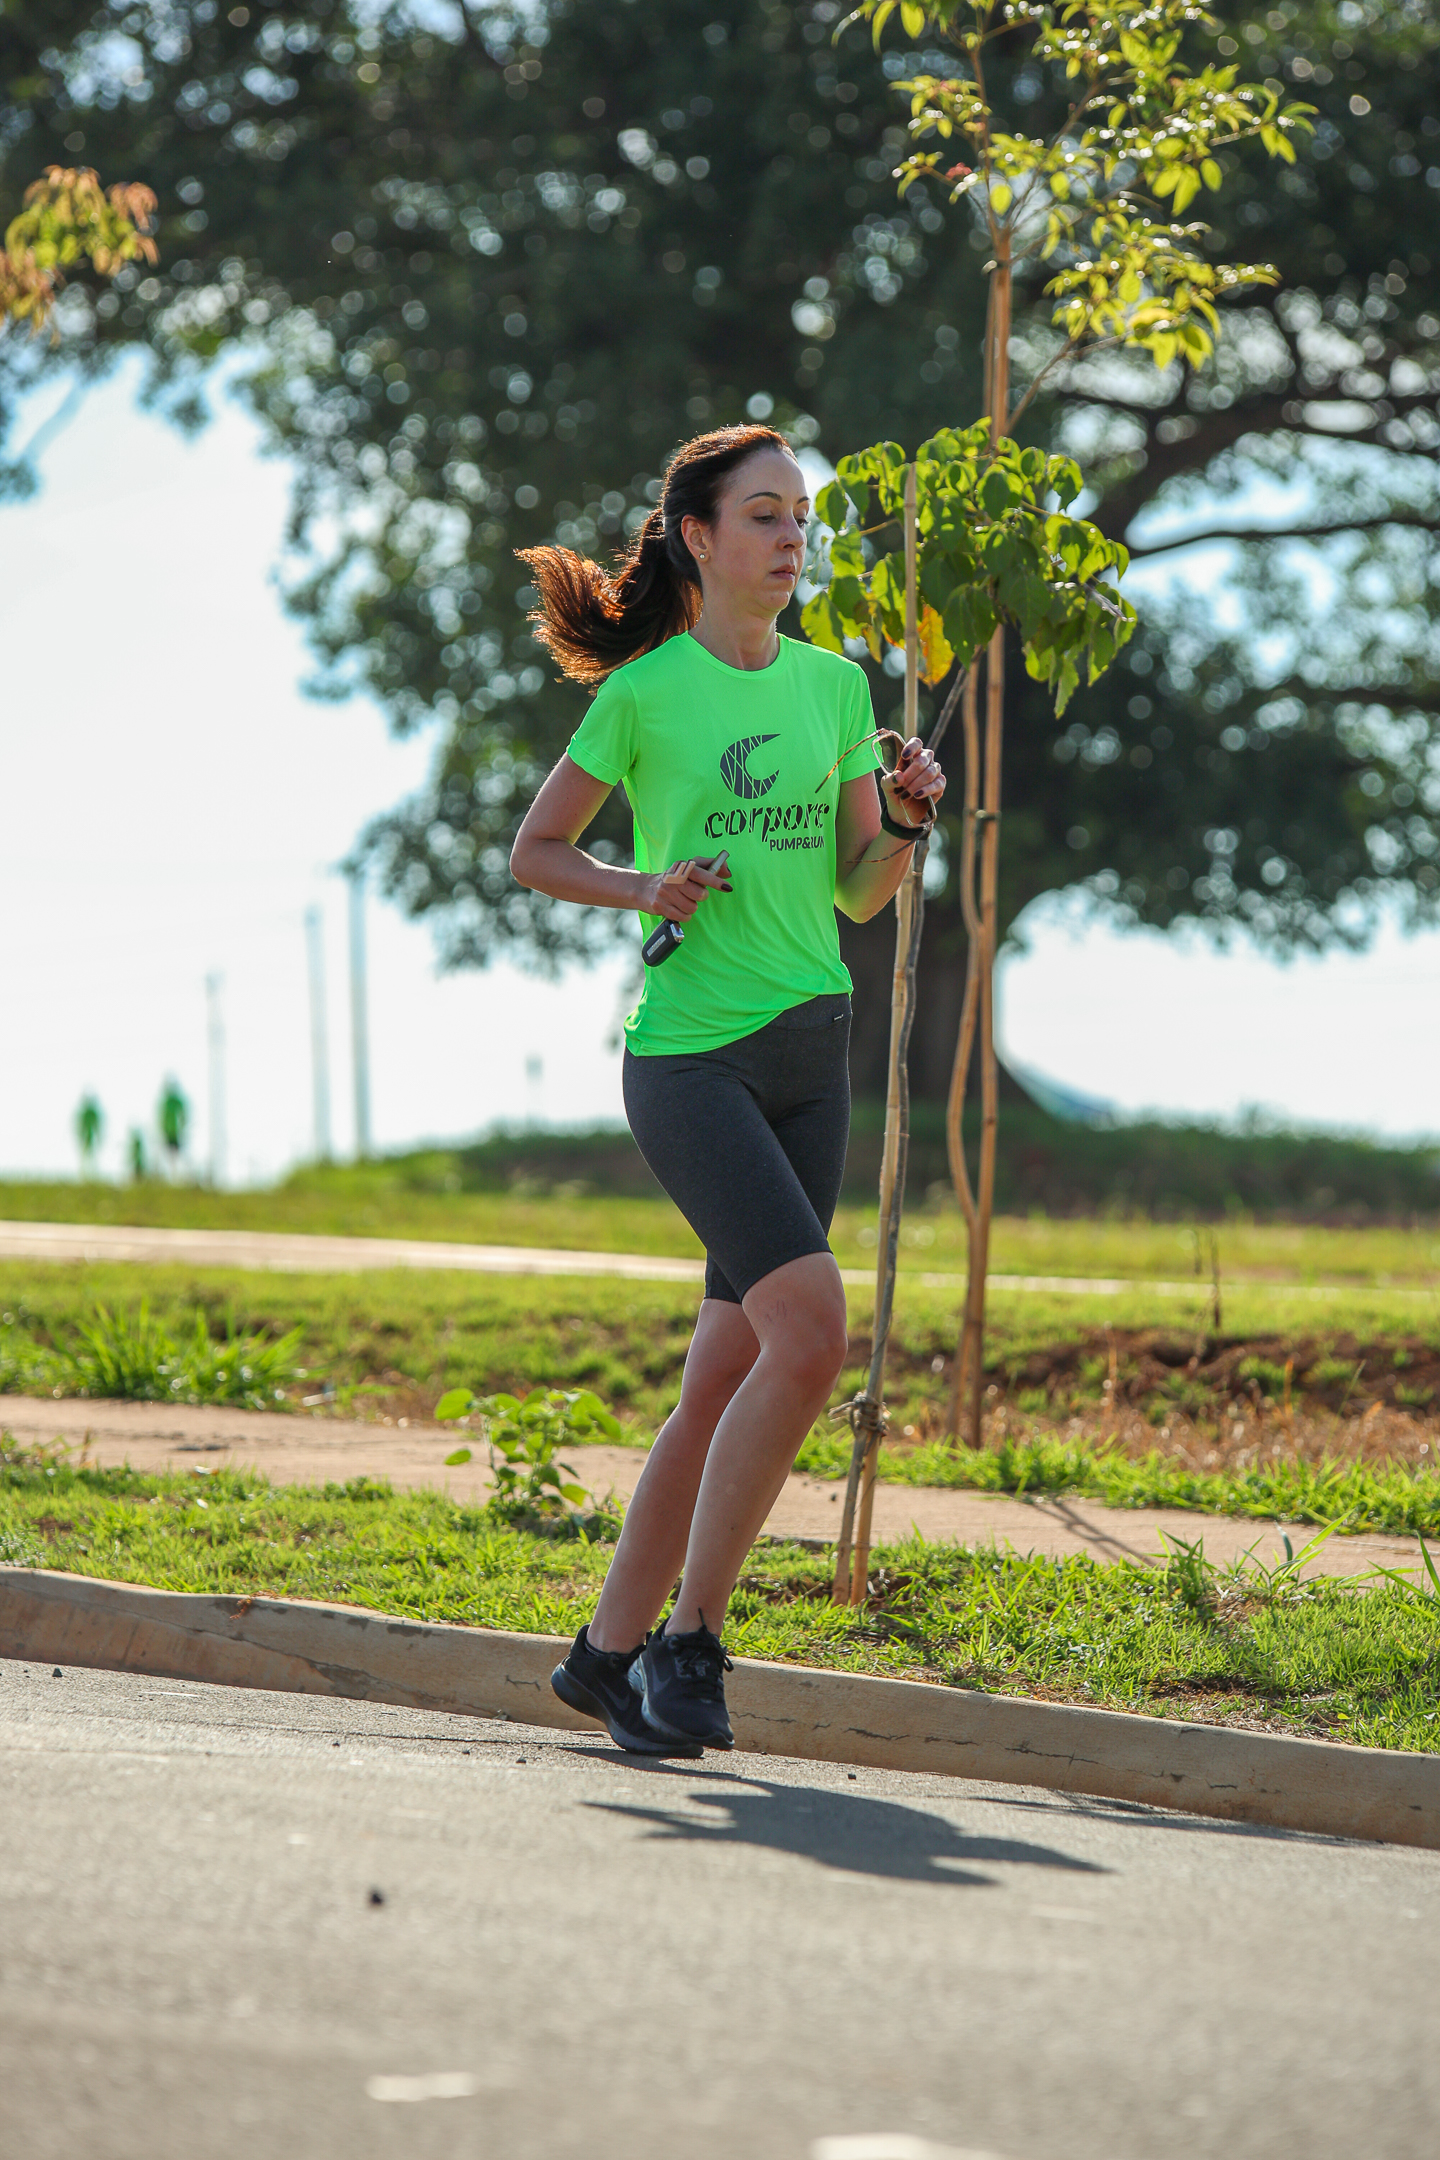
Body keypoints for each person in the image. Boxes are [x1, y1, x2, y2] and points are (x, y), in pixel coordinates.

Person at [509, 423, 946, 1755]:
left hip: (815, 1052)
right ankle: (688, 1647)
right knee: (809, 1334)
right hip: (693, 1060)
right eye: (764, 515)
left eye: (799, 516)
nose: (792, 537)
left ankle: (604, 1655)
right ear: (697, 538)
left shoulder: (833, 687)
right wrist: (644, 884)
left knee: (726, 1374)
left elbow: (857, 892)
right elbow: (538, 851)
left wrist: (907, 819)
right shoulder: (644, 696)